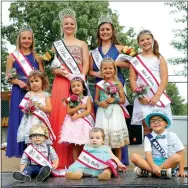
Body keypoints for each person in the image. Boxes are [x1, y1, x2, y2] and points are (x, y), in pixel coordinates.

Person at [49, 8, 89, 169]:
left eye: (72, 23)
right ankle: (58, 161)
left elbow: (86, 63)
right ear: (62, 25)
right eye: (66, 23)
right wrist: (56, 71)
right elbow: (52, 65)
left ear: (76, 25)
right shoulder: (56, 45)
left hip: (78, 83)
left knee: (78, 117)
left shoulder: (82, 44)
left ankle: (79, 161)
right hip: (60, 82)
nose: (69, 25)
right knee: (59, 116)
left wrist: (80, 78)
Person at [89, 14, 130, 165]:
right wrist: (97, 73)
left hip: (116, 84)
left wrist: (115, 64)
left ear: (112, 31)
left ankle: (120, 160)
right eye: (102, 30)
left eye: (107, 29)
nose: (105, 32)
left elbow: (132, 64)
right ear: (98, 33)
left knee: (117, 123)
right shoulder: (94, 52)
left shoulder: (120, 48)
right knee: (103, 124)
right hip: (101, 87)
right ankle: (102, 158)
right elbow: (89, 71)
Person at [5, 25, 44, 158]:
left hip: (34, 92)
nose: (26, 41)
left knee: (33, 120)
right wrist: (19, 82)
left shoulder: (37, 57)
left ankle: (34, 152)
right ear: (19, 40)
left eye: (29, 38)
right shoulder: (12, 57)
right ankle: (20, 155)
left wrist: (34, 83)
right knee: (18, 120)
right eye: (24, 38)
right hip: (18, 92)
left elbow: (42, 76)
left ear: (32, 40)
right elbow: (8, 77)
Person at [129, 29, 172, 135]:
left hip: (158, 95)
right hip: (143, 96)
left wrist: (157, 95)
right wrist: (139, 96)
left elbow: (165, 78)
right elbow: (132, 79)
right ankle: (148, 151)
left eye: (148, 39)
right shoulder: (135, 60)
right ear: (139, 43)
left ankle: (161, 151)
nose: (145, 42)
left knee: (160, 127)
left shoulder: (160, 58)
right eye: (142, 40)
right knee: (147, 127)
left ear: (152, 40)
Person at [131, 110, 186, 178]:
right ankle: (161, 173)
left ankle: (150, 172)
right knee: (134, 156)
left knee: (177, 157)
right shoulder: (148, 137)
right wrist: (153, 166)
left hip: (167, 163)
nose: (156, 122)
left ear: (166, 123)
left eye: (159, 120)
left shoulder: (172, 135)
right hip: (152, 163)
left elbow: (181, 152)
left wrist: (181, 171)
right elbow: (148, 153)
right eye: (153, 121)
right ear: (150, 125)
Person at [94, 57, 130, 163]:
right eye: (105, 69)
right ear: (101, 71)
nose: (108, 70)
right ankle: (104, 162)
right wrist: (99, 103)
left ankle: (118, 162)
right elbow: (95, 100)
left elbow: (123, 100)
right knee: (103, 138)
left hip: (115, 112)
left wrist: (114, 100)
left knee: (117, 140)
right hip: (103, 112)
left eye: (110, 68)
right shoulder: (99, 85)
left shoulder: (118, 84)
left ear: (114, 70)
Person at [59, 76, 94, 161]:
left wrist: (78, 116)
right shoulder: (70, 99)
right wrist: (79, 107)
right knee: (75, 144)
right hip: (74, 124)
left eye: (78, 85)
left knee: (86, 144)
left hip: (84, 124)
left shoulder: (87, 98)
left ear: (83, 88)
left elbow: (88, 111)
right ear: (71, 89)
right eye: (73, 86)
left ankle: (87, 162)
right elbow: (69, 111)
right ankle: (76, 162)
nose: (76, 88)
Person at [17, 70, 54, 145]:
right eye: (31, 81)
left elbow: (49, 109)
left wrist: (38, 105)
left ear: (42, 82)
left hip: (42, 122)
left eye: (36, 81)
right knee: (30, 142)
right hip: (30, 122)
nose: (34, 83)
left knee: (42, 142)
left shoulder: (46, 95)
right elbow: (22, 107)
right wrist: (27, 109)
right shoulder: (29, 94)